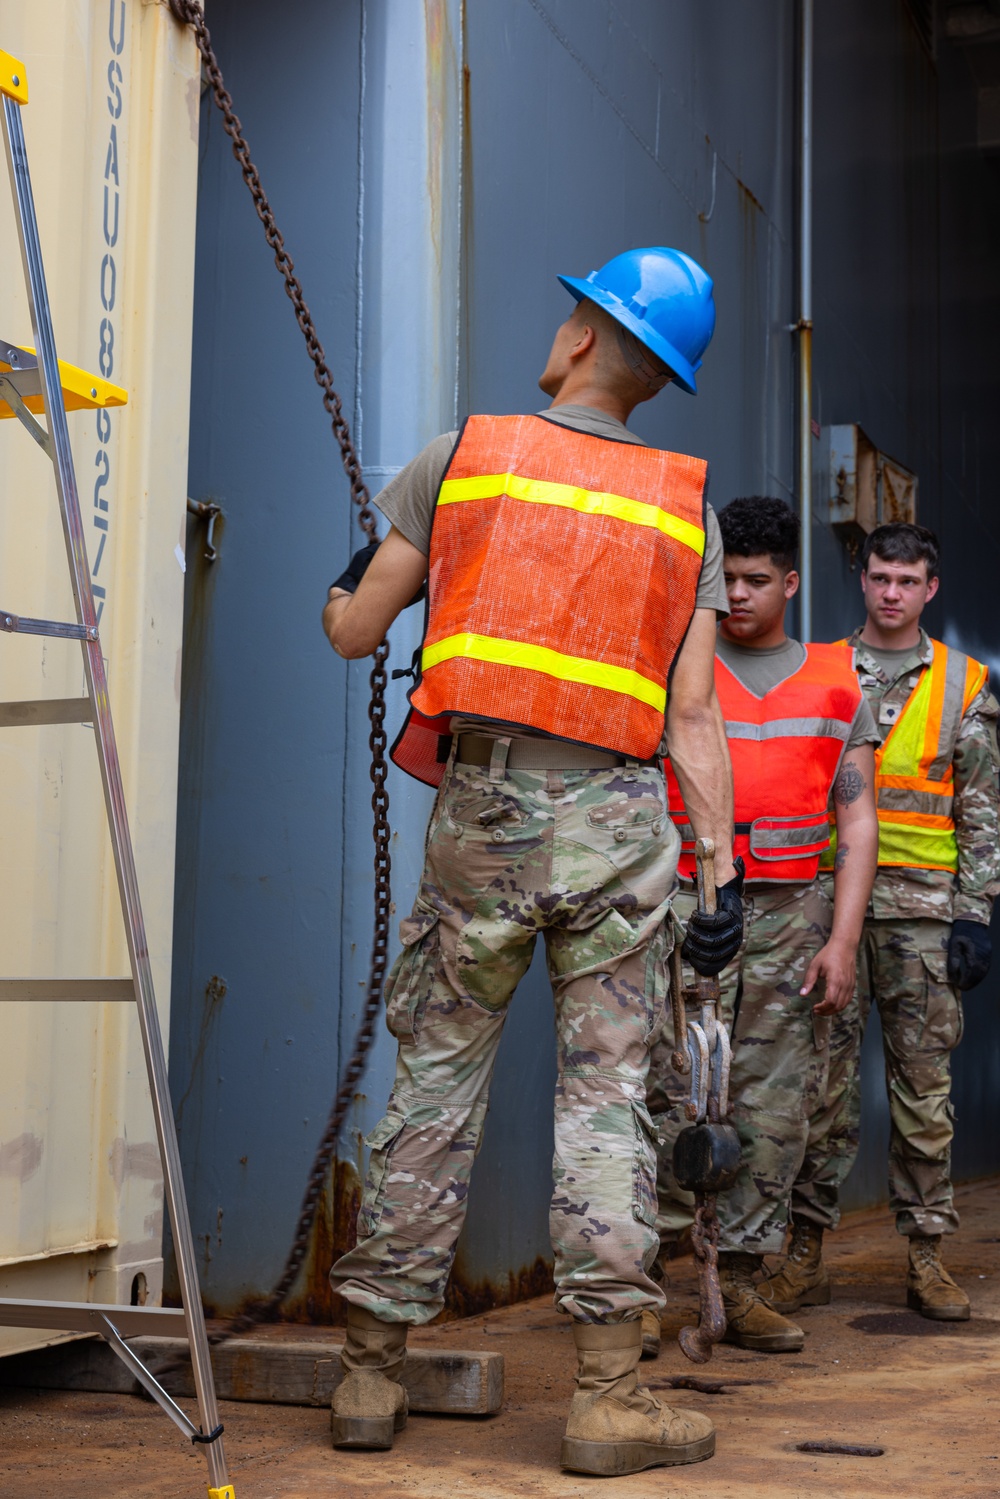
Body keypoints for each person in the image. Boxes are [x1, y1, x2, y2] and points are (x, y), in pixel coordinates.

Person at [320, 248, 744, 1477]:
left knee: (434, 1088)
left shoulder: (464, 457)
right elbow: (695, 719)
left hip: (485, 818)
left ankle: (366, 1376)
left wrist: (357, 579)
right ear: (657, 379)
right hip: (619, 827)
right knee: (608, 1100)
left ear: (575, 343)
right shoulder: (685, 505)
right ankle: (608, 1397)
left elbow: (356, 629)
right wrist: (714, 879)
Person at [647, 496, 879, 1354]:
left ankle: (740, 1285)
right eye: (726, 580)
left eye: (753, 580)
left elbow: (857, 824)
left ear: (789, 580)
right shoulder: (679, 667)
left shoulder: (835, 679)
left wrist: (844, 941)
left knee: (775, 1104)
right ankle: (641, 1290)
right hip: (681, 903)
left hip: (790, 915)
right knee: (660, 1089)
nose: (736, 595)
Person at [761, 522, 1000, 1322]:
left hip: (926, 919)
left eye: (908, 580)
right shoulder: (820, 669)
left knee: (923, 1087)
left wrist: (976, 914)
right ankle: (804, 1252)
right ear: (861, 581)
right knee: (817, 1086)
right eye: (880, 577)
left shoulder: (966, 681)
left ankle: (927, 1254)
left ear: (931, 589)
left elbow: (981, 810)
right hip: (829, 907)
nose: (892, 592)